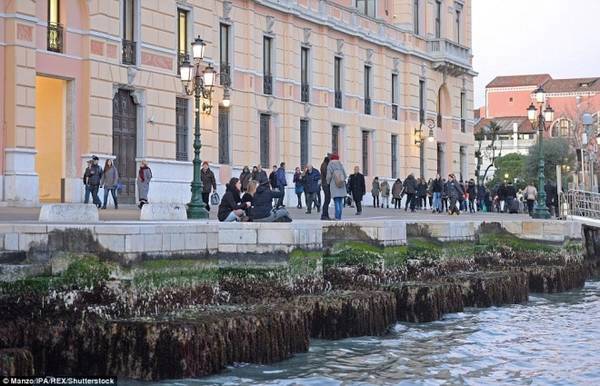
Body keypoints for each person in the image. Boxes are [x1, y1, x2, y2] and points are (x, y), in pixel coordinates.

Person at [326, 154, 347, 220]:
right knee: (340, 201)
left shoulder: (330, 164)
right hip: (341, 185)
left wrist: (328, 182)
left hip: (334, 185)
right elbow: (345, 175)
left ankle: (337, 216)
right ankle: (339, 216)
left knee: (336, 201)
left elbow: (328, 176)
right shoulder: (340, 164)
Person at [320, 156, 332, 221]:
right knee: (327, 200)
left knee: (327, 200)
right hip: (326, 184)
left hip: (325, 184)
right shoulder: (324, 166)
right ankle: (324, 215)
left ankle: (325, 214)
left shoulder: (324, 165)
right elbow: (327, 175)